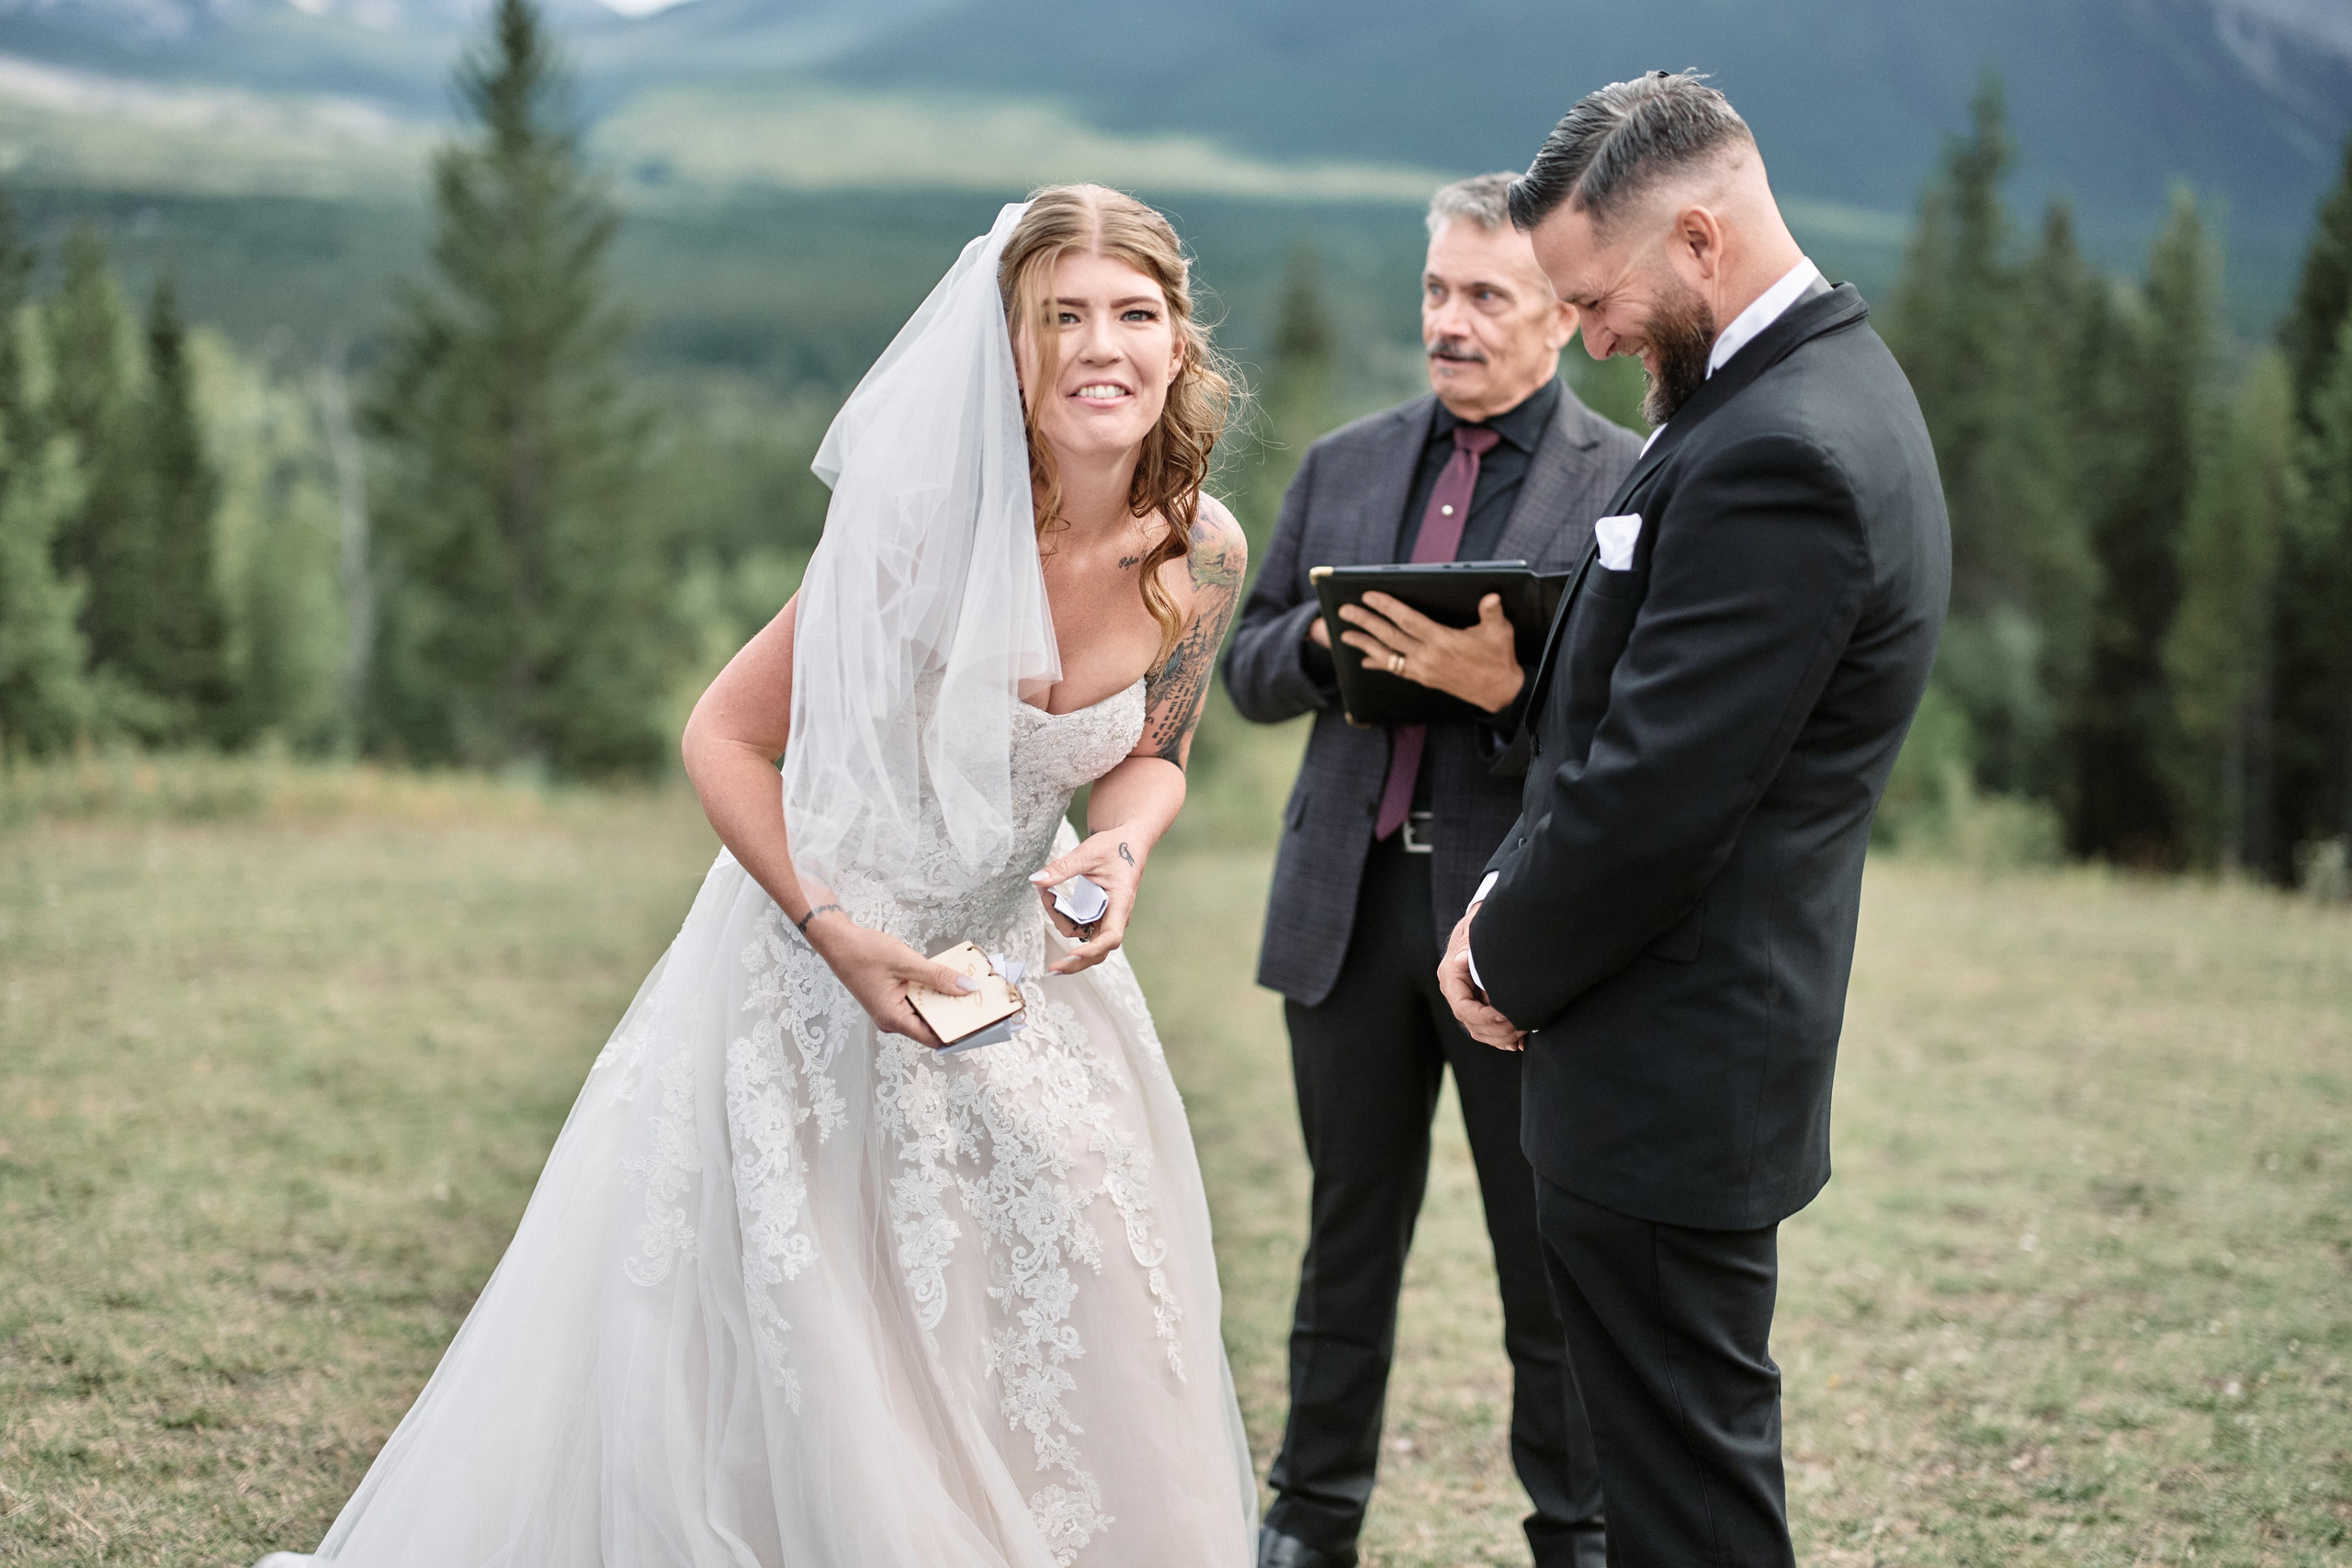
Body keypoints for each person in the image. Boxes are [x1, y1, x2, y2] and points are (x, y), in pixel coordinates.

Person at [255, 186, 1259, 1568]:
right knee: (826, 1341)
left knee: (1062, 1295)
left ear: (1179, 339)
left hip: (1016, 970)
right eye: (1062, 318)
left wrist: (1119, 845)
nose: (1104, 348)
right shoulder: (915, 535)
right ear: (1007, 354)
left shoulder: (1203, 553)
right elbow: (723, 735)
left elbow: (1153, 751)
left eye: (1134, 315)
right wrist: (836, 930)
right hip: (817, 964)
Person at [1439, 73, 1950, 1567]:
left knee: (1689, 1507)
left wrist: (1498, 951)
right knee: (1671, 1480)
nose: (1585, 338)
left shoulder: (1783, 452)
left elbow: (1663, 796)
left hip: (1673, 1064)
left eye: (1595, 298)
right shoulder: (1776, 394)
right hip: (1678, 1049)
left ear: (1703, 238)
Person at [1222, 173, 1638, 1568]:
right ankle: (1309, 1518)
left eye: (1487, 298)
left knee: (1546, 1255)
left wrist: (1503, 681)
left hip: (1512, 923)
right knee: (1346, 1244)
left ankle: (1574, 1535)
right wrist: (1338, 655)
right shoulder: (1343, 461)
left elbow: (1632, 717)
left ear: (1560, 317)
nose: (1450, 324)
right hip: (1344, 908)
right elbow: (1247, 665)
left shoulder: (1624, 482)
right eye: (1436, 292)